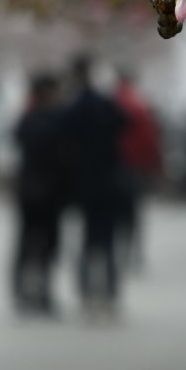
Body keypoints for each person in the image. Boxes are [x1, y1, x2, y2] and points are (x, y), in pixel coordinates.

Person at [61, 55, 127, 317]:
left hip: (83, 182)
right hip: (107, 180)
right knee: (107, 240)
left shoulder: (73, 106)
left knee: (86, 242)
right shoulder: (104, 103)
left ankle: (87, 293)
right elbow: (124, 124)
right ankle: (109, 293)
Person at [11, 72, 69, 317]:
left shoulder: (27, 119)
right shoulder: (56, 120)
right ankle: (41, 293)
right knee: (46, 247)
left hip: (29, 190)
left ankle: (24, 293)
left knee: (26, 245)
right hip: (49, 192)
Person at [114, 70, 161, 272]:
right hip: (134, 167)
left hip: (114, 167)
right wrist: (154, 165)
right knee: (133, 214)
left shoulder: (112, 102)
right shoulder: (140, 105)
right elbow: (149, 138)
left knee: (116, 214)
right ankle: (134, 253)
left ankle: (119, 252)